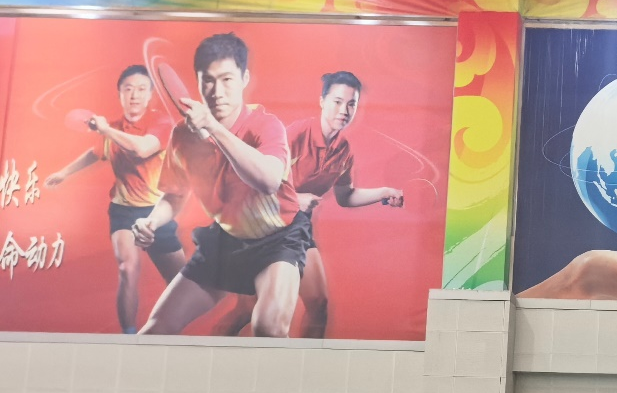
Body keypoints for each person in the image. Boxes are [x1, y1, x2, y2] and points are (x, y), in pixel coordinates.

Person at [134, 33, 306, 338]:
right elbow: (174, 195)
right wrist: (152, 221)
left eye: (227, 80)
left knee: (268, 328)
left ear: (244, 79)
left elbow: (268, 181)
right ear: (198, 83)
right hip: (226, 240)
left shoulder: (265, 125)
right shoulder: (182, 136)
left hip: (278, 238)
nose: (217, 92)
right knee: (155, 331)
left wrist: (213, 127)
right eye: (208, 81)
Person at [217, 71, 405, 338]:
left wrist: (384, 192)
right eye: (337, 101)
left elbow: (345, 196)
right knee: (246, 310)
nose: (344, 110)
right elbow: (252, 180)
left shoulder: (343, 151)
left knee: (319, 305)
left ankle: (305, 363)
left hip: (297, 227)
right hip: (262, 221)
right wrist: (295, 198)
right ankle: (201, 359)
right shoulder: (295, 134)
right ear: (322, 101)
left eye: (351, 104)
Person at [44, 64, 185, 334]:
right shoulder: (112, 128)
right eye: (128, 89)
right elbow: (95, 153)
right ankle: (128, 336)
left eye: (141, 89)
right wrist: (64, 173)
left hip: (157, 212)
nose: (134, 95)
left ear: (150, 95)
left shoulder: (162, 123)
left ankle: (169, 333)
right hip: (124, 211)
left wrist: (106, 130)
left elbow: (141, 148)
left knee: (181, 281)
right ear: (119, 94)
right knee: (127, 268)